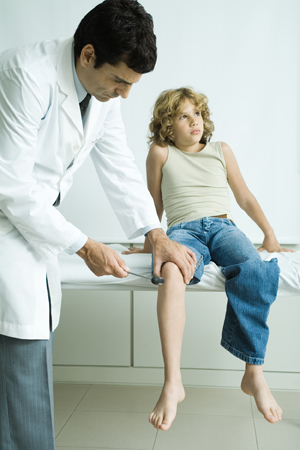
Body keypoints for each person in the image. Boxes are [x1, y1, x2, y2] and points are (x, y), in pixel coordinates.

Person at [0, 3, 197, 449]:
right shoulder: (26, 74)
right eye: (121, 81)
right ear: (88, 54)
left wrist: (155, 232)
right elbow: (11, 187)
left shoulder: (102, 91)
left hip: (34, 228)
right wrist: (84, 245)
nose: (126, 95)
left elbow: (118, 163)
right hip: (8, 222)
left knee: (28, 355)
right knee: (22, 366)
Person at [123, 87, 294, 431]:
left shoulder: (221, 150)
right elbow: (152, 204)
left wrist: (269, 235)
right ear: (168, 125)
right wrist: (150, 243)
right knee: (172, 274)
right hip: (182, 231)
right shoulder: (160, 153)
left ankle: (253, 374)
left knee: (256, 270)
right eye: (183, 116)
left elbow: (244, 196)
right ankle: (173, 382)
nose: (194, 121)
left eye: (197, 113)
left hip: (223, 226)